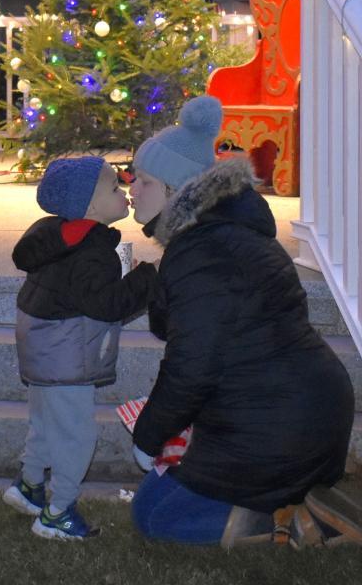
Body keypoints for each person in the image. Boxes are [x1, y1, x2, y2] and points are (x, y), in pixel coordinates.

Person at [128, 95, 356, 547]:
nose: (132, 188)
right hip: (286, 414)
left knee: (155, 519)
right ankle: (311, 498)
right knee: (152, 502)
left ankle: (298, 525)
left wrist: (147, 435)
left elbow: (192, 365)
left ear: (175, 192)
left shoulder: (202, 251)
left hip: (278, 427)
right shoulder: (217, 239)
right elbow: (184, 326)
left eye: (145, 181)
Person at [4, 156, 159, 540]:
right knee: (75, 435)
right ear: (89, 207)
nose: (124, 190)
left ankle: (29, 486)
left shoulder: (58, 236)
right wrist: (148, 277)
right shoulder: (90, 249)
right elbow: (107, 305)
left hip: (42, 352)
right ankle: (58, 512)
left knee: (43, 424)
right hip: (66, 356)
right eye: (112, 188)